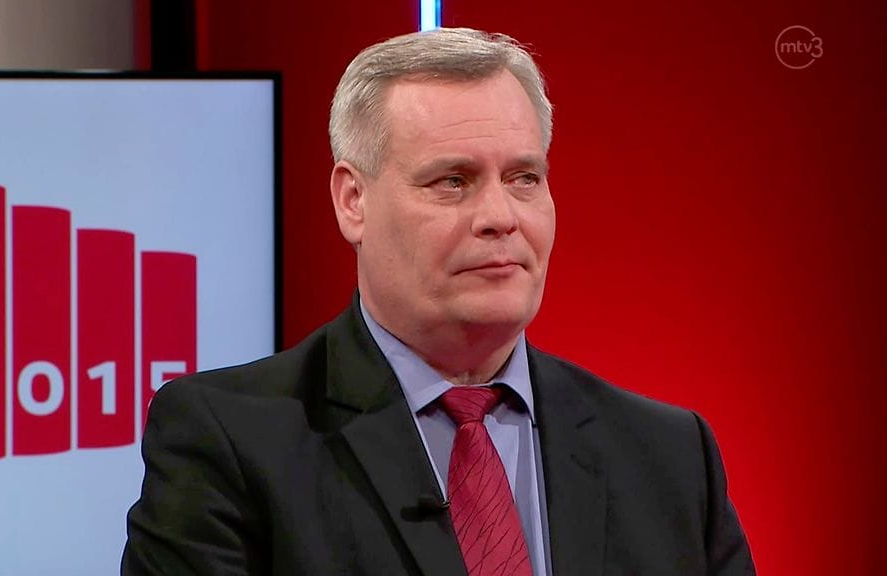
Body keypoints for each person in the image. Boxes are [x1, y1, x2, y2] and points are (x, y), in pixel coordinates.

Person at [122, 27, 755, 575]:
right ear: (352, 201)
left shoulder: (669, 455)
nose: (500, 216)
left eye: (524, 178)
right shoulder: (228, 441)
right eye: (453, 181)